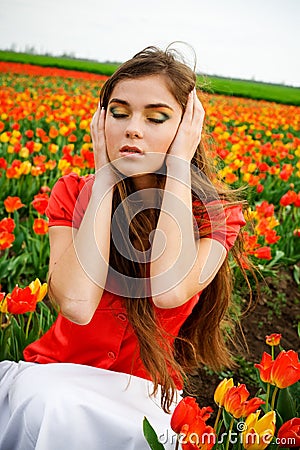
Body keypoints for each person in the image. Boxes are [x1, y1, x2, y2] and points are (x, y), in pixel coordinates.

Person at [0, 45, 248, 450]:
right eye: (119, 113)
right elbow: (77, 305)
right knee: (51, 406)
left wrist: (181, 163)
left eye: (156, 117)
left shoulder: (214, 216)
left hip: (144, 397)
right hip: (55, 378)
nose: (133, 128)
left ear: (187, 129)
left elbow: (169, 291)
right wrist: (105, 176)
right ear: (101, 122)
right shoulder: (71, 193)